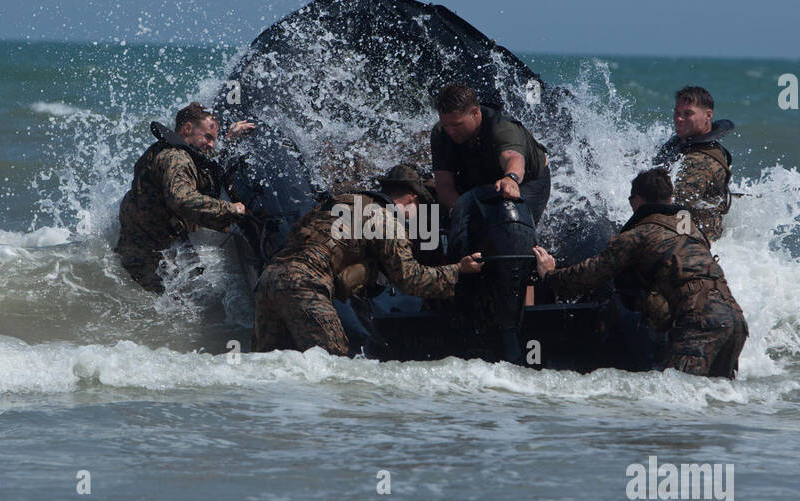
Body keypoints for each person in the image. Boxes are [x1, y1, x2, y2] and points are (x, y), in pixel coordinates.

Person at [533, 168, 748, 378]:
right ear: (670, 199)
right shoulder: (692, 230)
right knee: (718, 400)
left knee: (679, 403)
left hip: (699, 322)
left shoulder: (638, 236)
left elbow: (591, 274)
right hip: (735, 319)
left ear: (636, 200)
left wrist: (550, 275)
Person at [252, 164, 482, 355]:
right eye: (420, 210)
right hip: (304, 286)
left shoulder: (340, 202)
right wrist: (458, 270)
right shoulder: (386, 219)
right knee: (332, 366)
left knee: (271, 365)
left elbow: (296, 234)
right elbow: (411, 278)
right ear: (413, 198)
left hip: (269, 280)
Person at [114, 102, 254, 293]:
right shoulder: (176, 159)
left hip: (149, 245)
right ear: (188, 128)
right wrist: (232, 210)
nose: (211, 144)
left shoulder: (167, 149)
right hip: (149, 259)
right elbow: (182, 200)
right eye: (207, 137)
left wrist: (229, 141)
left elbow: (204, 168)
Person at [429, 83, 551, 224]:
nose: (450, 131)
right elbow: (445, 185)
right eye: (446, 125)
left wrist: (511, 179)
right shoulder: (441, 133)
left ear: (475, 112)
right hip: (481, 175)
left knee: (511, 221)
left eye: (457, 125)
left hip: (527, 179)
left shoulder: (502, 127)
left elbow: (513, 158)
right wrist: (460, 211)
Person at [653, 85, 735, 240]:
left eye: (687, 114)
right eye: (677, 112)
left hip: (694, 243)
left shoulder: (701, 162)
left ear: (708, 115)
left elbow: (671, 205)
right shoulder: (684, 145)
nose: (679, 118)